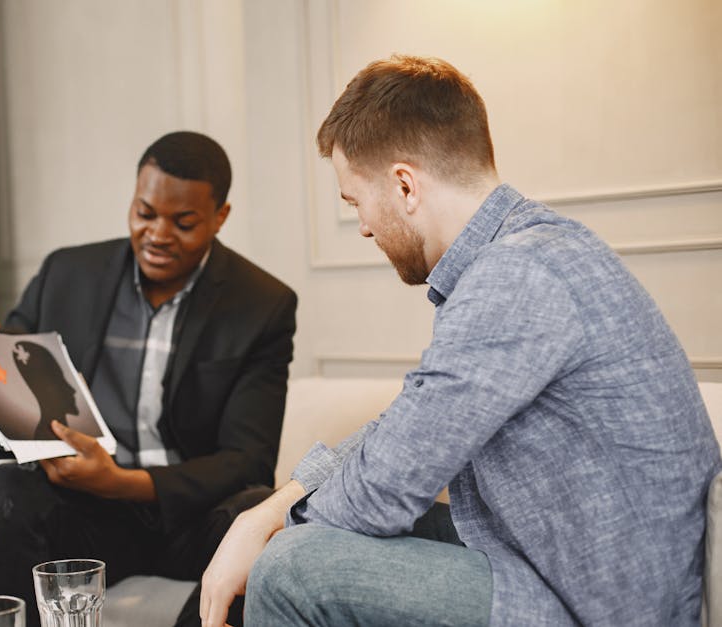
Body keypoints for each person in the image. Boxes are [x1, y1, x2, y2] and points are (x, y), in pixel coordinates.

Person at [200, 56, 721, 627]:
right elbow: (410, 426)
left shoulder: (517, 275)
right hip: (543, 561)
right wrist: (267, 514)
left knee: (290, 567)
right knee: (284, 540)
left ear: (404, 184)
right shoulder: (526, 254)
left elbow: (381, 490)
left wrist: (275, 528)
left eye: (355, 202)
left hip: (602, 608)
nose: (365, 227)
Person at [0, 131, 297, 627]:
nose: (159, 234)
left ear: (220, 217)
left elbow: (248, 460)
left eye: (184, 222)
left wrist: (125, 482)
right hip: (87, 512)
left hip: (191, 515)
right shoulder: (68, 273)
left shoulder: (262, 304)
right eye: (145, 213)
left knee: (261, 515)